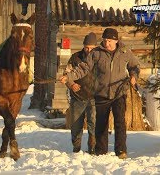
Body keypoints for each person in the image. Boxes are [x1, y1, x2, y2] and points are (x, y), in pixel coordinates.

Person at [60, 28, 140, 159]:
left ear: (115, 40)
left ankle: (121, 151)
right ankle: (101, 151)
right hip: (101, 93)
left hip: (119, 92)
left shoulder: (125, 52)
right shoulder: (96, 53)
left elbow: (135, 65)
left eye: (109, 41)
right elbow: (83, 68)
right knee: (101, 124)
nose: (106, 43)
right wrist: (69, 77)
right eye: (104, 40)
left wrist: (133, 76)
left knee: (120, 122)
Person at [63, 32, 97, 154]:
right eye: (87, 47)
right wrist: (72, 84)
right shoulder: (75, 57)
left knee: (93, 124)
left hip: (95, 97)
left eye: (92, 48)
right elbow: (66, 74)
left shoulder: (99, 58)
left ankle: (92, 148)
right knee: (76, 125)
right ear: (83, 46)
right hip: (78, 97)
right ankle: (76, 148)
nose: (89, 50)